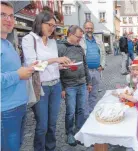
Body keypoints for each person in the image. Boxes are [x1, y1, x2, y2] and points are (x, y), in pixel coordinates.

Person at [22, 11, 71, 151]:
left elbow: (51, 64)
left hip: (55, 85)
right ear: (39, 22)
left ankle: (51, 148)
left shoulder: (52, 41)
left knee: (52, 124)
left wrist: (61, 65)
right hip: (41, 87)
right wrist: (56, 60)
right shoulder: (29, 39)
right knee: (42, 125)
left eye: (54, 26)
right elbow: (33, 65)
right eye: (49, 24)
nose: (52, 28)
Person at [1, 2, 36, 151]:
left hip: (18, 107)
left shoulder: (7, 43)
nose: (9, 19)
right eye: (3, 15)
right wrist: (18, 74)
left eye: (11, 16)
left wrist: (25, 70)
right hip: (5, 111)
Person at [57, 25, 92, 146]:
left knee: (81, 110)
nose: (80, 39)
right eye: (78, 37)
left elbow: (85, 65)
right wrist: (62, 88)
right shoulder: (60, 47)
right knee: (70, 111)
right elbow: (56, 70)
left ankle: (79, 132)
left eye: (81, 37)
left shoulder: (79, 47)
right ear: (70, 34)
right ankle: (70, 133)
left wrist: (88, 82)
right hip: (69, 85)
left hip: (81, 84)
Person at [80, 21, 106, 118]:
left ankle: (92, 113)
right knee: (85, 95)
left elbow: (103, 54)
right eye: (87, 28)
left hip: (96, 71)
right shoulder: (81, 40)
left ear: (93, 29)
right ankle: (86, 116)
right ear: (84, 28)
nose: (89, 30)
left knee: (94, 94)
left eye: (91, 28)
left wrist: (102, 65)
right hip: (85, 72)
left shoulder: (98, 40)